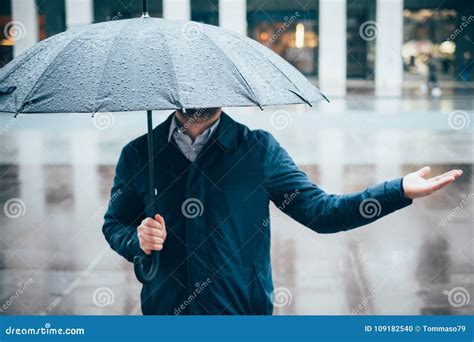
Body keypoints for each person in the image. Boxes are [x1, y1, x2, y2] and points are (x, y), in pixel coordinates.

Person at [102, 108, 462, 315]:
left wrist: (396, 190)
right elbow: (114, 223)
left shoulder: (257, 150)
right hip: (167, 314)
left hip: (241, 314)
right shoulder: (139, 154)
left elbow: (322, 212)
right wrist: (135, 239)